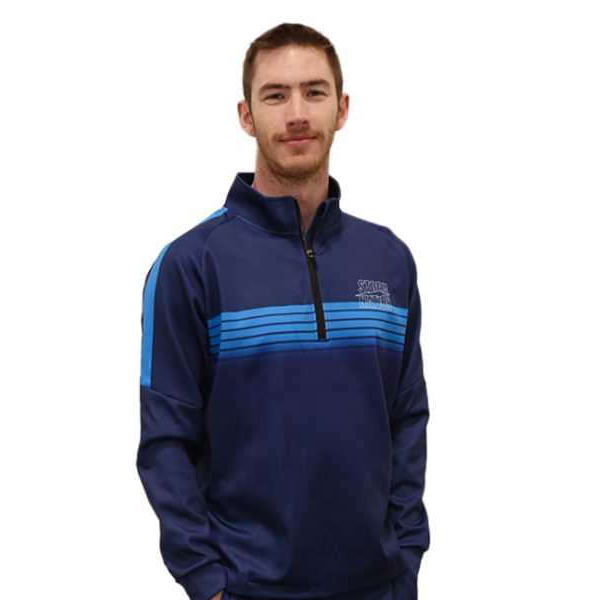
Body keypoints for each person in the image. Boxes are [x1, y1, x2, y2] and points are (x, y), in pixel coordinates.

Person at [137, 22, 430, 600]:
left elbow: (407, 419)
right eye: (275, 95)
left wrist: (407, 560)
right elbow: (165, 441)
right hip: (245, 589)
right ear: (245, 116)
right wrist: (207, 582)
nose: (297, 113)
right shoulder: (191, 262)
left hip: (379, 588)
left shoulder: (390, 258)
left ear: (342, 109)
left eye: (314, 92)